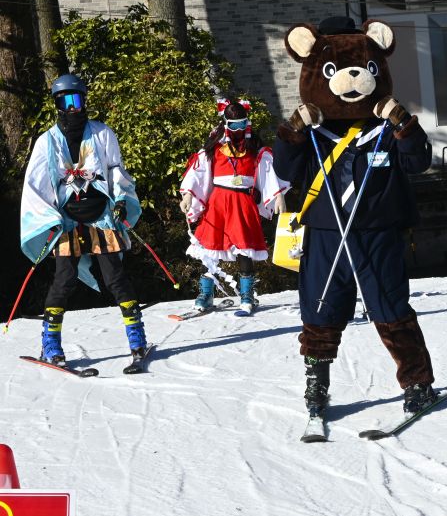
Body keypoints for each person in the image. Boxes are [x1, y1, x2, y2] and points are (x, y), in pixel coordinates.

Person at [273, 16, 437, 419]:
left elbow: (418, 163)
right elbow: (284, 170)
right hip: (327, 234)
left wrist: (405, 126)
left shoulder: (386, 127)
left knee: (391, 308)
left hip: (378, 232)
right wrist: (292, 132)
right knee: (320, 310)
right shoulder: (315, 132)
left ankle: (418, 383)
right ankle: (317, 382)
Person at [20, 73, 148, 367]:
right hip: (68, 222)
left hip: (101, 218)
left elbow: (117, 170)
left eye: (77, 100)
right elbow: (35, 185)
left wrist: (119, 201)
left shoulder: (102, 133)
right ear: (58, 105)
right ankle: (50, 345)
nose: (74, 108)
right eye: (67, 101)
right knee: (63, 281)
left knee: (116, 278)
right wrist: (48, 218)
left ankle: (137, 339)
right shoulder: (46, 142)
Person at [179, 99, 288, 315]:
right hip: (218, 202)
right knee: (210, 249)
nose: (238, 129)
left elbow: (268, 172)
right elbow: (198, 173)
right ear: (226, 125)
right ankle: (206, 293)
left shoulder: (255, 149)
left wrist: (277, 196)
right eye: (233, 125)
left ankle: (248, 295)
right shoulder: (214, 150)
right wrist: (188, 194)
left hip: (242, 203)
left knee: (244, 250)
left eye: (242, 124)